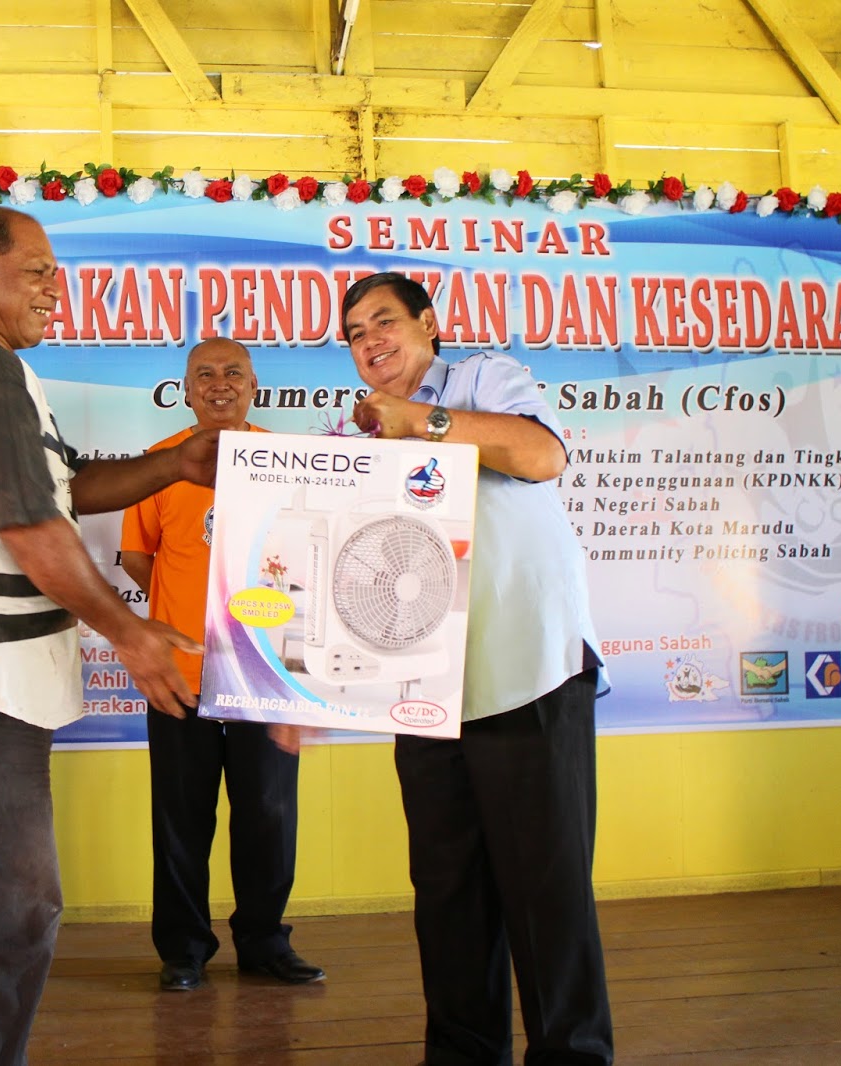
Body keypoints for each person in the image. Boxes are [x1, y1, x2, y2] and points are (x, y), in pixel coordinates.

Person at [0, 205, 218, 1066]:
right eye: (38, 271)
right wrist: (129, 632)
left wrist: (175, 463)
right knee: (8, 912)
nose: (55, 290)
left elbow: (61, 489)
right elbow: (30, 524)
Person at [340, 272, 613, 1066]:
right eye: (354, 334)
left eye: (383, 321)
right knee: (448, 898)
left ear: (428, 323)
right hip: (425, 688)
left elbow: (541, 454)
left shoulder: (483, 379)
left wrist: (422, 422)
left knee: (546, 893)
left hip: (528, 671)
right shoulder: (355, 439)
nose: (370, 342)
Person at [120, 338, 324, 993]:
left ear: (253, 386)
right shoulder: (157, 465)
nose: (219, 384)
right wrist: (189, 616)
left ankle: (265, 943)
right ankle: (184, 950)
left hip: (267, 673)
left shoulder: (290, 463)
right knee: (182, 817)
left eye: (233, 372)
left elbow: (313, 554)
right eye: (204, 374)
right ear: (185, 391)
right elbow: (136, 557)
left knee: (269, 811)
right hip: (180, 674)